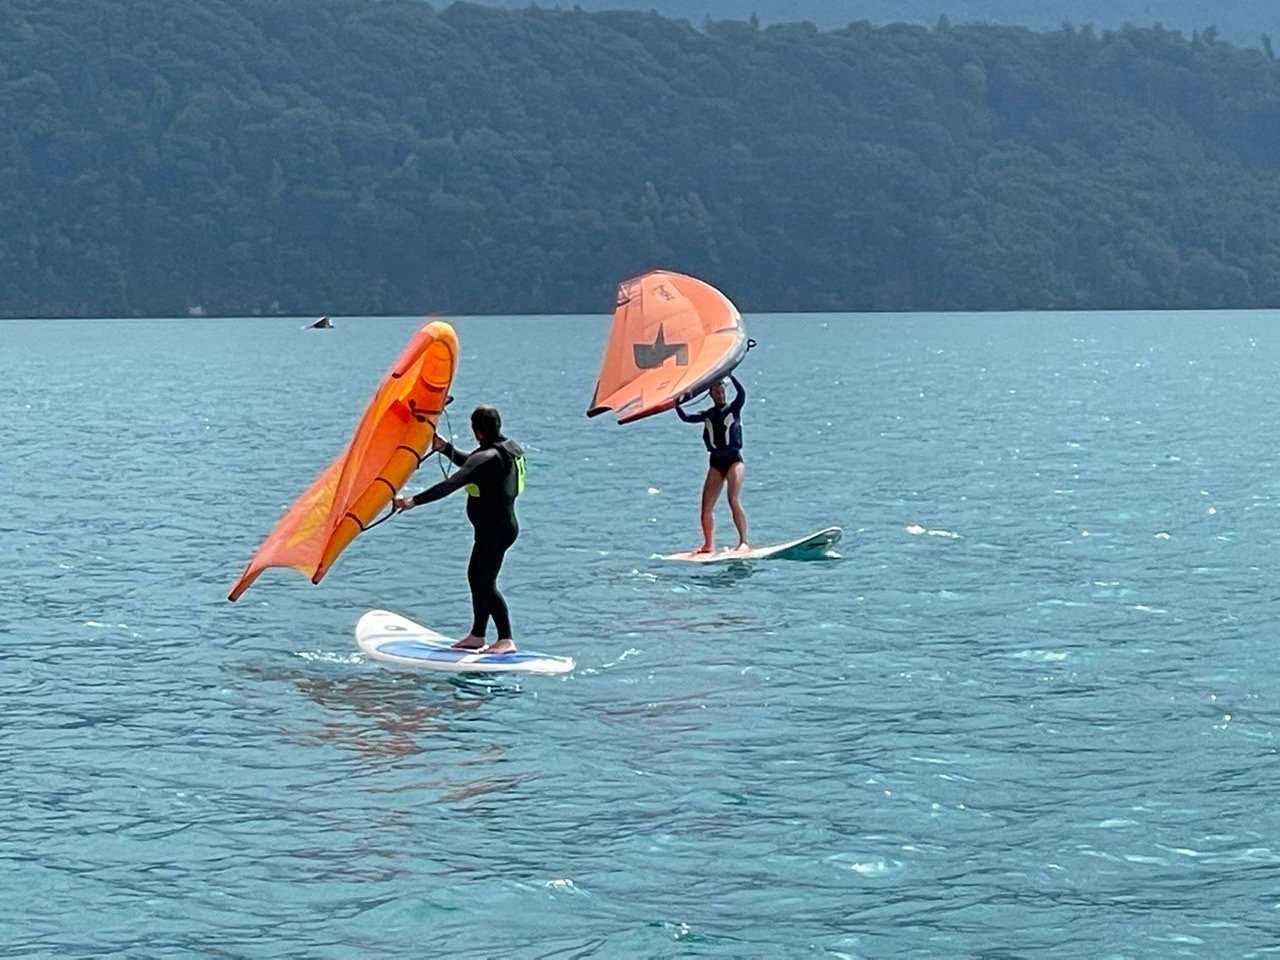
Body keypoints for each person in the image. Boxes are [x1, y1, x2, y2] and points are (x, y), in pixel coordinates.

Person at [393, 405, 526, 653]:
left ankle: (506, 639)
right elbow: (472, 464)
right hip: (501, 527)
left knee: (484, 581)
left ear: (476, 431)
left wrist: (413, 501)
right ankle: (477, 635)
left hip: (494, 532)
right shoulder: (505, 449)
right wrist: (446, 449)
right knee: (479, 578)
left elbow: (452, 483)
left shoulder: (486, 458)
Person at [675, 373, 749, 553]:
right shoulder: (706, 415)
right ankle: (708, 544)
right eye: (715, 392)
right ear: (710, 394)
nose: (719, 395)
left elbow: (742, 394)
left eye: (721, 391)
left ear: (724, 391)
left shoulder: (734, 409)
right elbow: (686, 418)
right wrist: (676, 401)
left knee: (732, 499)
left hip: (733, 461)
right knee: (705, 508)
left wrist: (730, 374)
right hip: (716, 463)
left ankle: (743, 542)